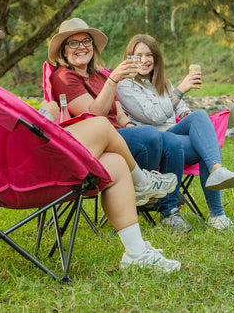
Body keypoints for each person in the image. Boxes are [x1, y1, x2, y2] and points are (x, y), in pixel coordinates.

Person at [0, 12, 180, 271]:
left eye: (84, 41)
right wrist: (48, 113)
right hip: (23, 172)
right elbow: (31, 127)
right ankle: (144, 184)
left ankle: (136, 254)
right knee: (99, 125)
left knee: (115, 164)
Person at [47, 18, 187, 227]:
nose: (81, 47)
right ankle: (143, 193)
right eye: (73, 43)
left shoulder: (99, 76)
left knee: (170, 141)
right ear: (63, 51)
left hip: (120, 137)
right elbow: (95, 115)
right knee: (149, 135)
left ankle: (169, 209)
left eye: (86, 41)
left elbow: (120, 115)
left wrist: (131, 126)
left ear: (93, 47)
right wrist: (114, 80)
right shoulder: (65, 78)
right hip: (98, 143)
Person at [116, 34, 234, 231]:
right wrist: (182, 88)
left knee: (199, 120)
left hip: (174, 135)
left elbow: (180, 107)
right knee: (204, 147)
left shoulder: (162, 82)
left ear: (156, 58)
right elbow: (154, 116)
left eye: (149, 55)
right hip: (155, 144)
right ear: (129, 58)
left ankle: (217, 203)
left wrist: (185, 113)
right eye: (138, 55)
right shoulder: (125, 84)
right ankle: (215, 202)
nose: (144, 60)